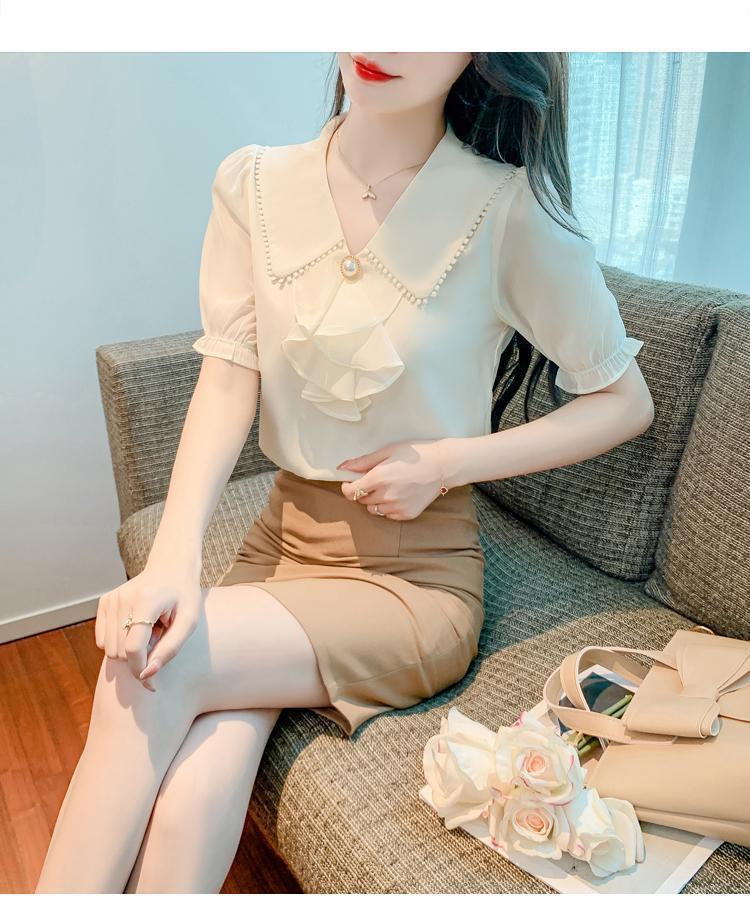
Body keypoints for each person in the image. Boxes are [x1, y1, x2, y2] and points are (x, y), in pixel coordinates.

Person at [36, 52, 653, 893]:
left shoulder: (506, 209)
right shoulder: (253, 184)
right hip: (278, 543)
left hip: (412, 576)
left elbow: (622, 399)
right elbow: (228, 375)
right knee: (195, 784)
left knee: (146, 663)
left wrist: (445, 462)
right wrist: (173, 556)